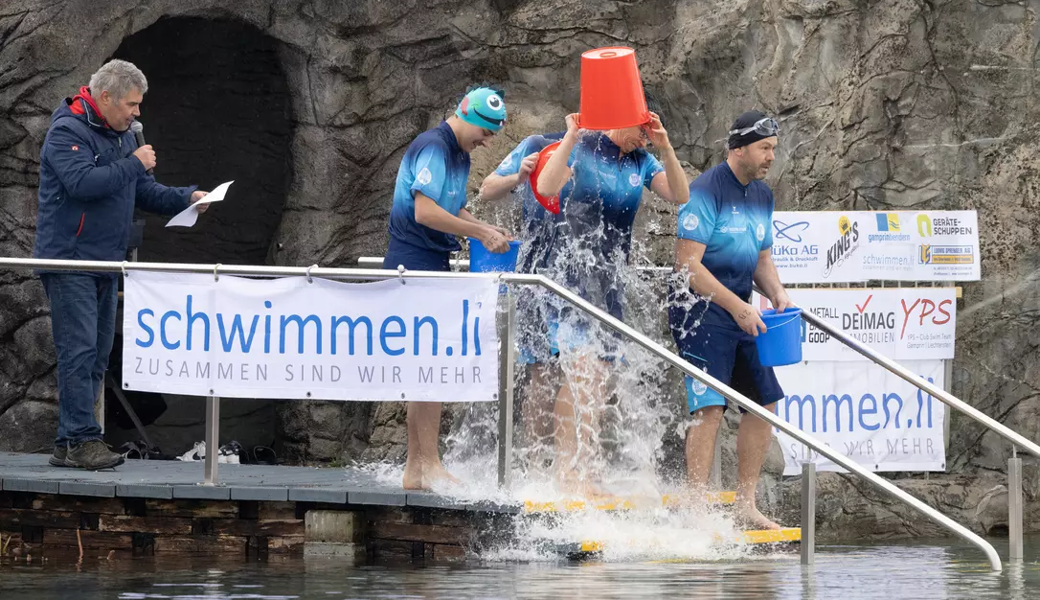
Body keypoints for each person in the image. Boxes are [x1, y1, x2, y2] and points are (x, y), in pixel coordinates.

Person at [33, 59, 211, 470]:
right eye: (131, 104)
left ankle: (68, 441)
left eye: (139, 106)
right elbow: (83, 184)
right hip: (70, 261)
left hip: (106, 261)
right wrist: (134, 162)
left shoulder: (123, 136)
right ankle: (81, 440)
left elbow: (142, 192)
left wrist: (188, 198)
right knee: (79, 352)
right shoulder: (67, 131)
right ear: (106, 97)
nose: (137, 113)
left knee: (96, 354)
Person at [534, 106, 690, 496]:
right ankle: (568, 473)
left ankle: (588, 469)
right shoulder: (584, 145)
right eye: (642, 128)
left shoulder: (643, 158)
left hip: (608, 281)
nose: (644, 136)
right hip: (570, 273)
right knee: (580, 371)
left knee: (600, 380)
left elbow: (680, 195)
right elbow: (547, 188)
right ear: (622, 119)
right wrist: (570, 136)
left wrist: (665, 146)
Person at [383, 86, 513, 490]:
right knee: (429, 368)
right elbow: (424, 210)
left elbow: (451, 205)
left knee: (427, 369)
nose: (488, 140)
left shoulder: (460, 154)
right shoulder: (434, 147)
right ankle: (429, 464)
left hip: (430, 261)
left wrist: (483, 229)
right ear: (464, 114)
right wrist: (476, 231)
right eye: (485, 130)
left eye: (493, 133)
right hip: (412, 262)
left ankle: (416, 469)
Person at [668, 110, 792, 529]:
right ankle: (696, 505)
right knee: (711, 405)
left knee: (764, 400)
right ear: (738, 149)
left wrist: (774, 291)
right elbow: (688, 264)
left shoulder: (762, 195)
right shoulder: (705, 190)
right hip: (698, 309)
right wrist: (736, 306)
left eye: (773, 148)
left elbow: (761, 258)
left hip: (740, 308)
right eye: (765, 148)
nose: (771, 156)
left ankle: (745, 503)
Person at [480, 131, 565, 469]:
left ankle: (570, 465)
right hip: (536, 275)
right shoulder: (538, 144)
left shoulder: (611, 155)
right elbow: (487, 190)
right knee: (541, 371)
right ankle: (535, 463)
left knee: (583, 370)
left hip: (584, 277)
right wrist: (519, 177)